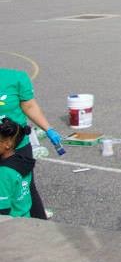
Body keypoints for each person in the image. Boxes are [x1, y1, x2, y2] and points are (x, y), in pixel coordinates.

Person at [0, 67, 64, 219]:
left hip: (14, 148)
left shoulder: (15, 78)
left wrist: (48, 129)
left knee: (25, 188)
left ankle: (38, 226)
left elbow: (29, 106)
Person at [0, 118, 33, 218]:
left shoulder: (4, 172)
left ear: (7, 144)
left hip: (11, 224)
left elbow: (3, 209)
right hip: (25, 216)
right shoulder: (23, 162)